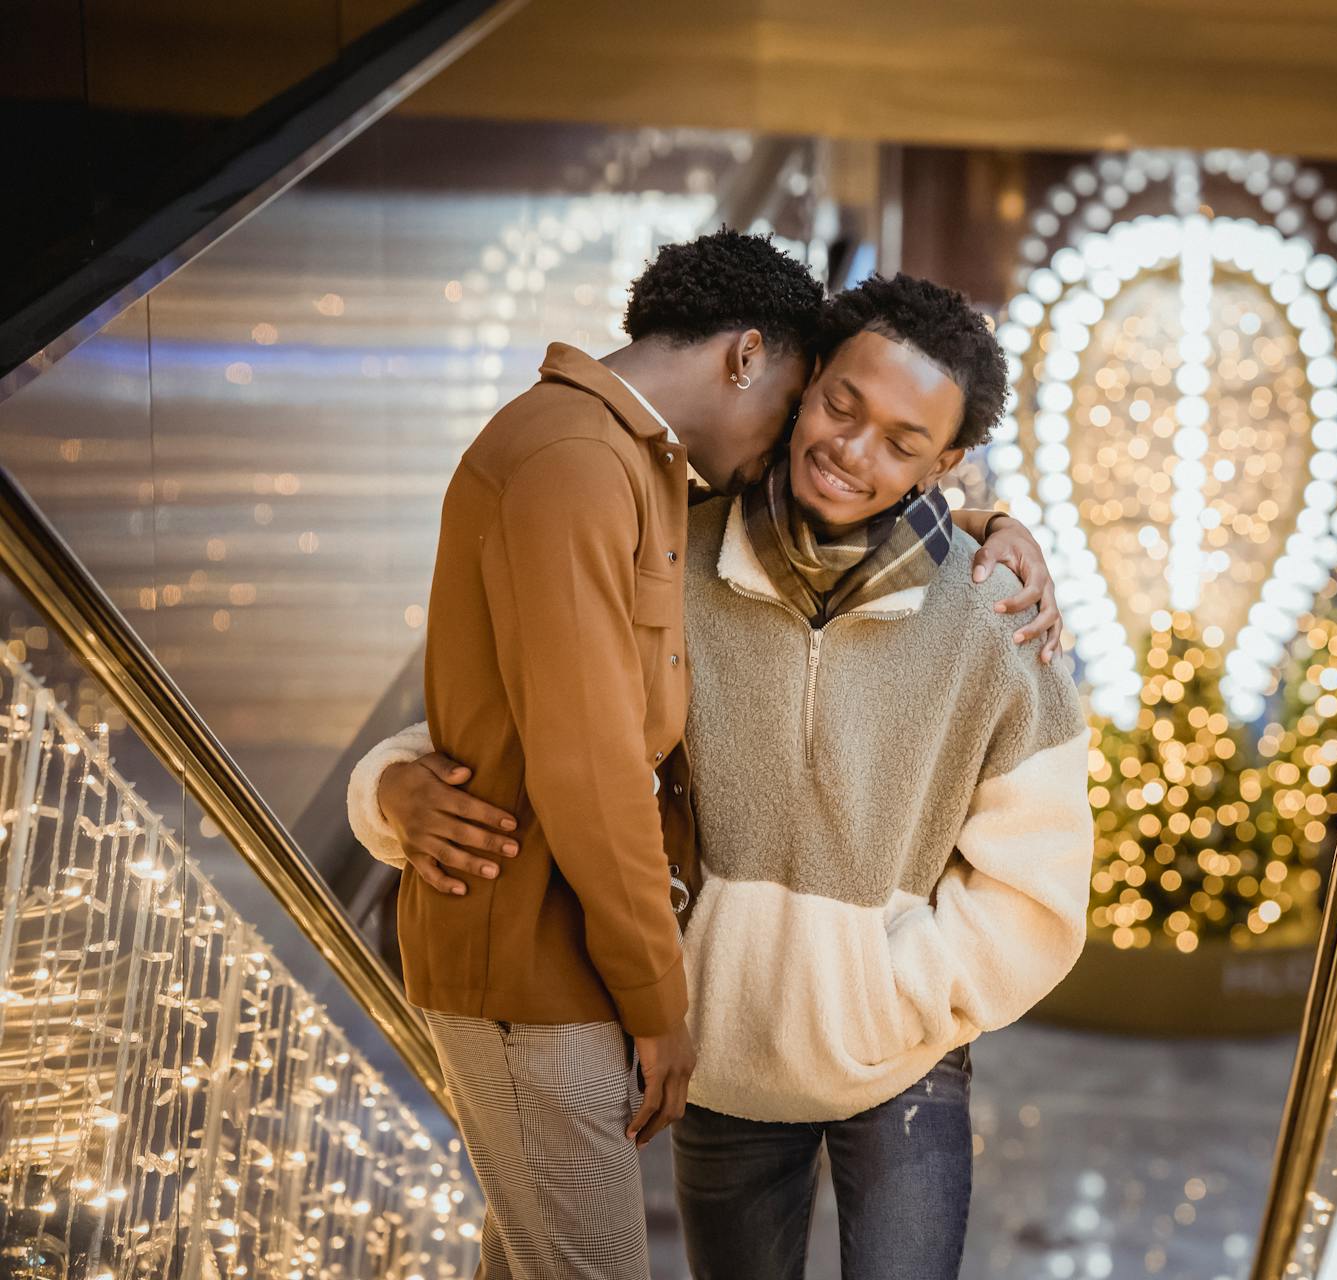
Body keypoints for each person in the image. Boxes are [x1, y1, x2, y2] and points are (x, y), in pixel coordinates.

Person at [351, 273, 1095, 1279]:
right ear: (805, 383)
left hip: (903, 1069)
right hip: (719, 1065)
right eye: (840, 404)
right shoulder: (674, 544)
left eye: (903, 441)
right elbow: (541, 709)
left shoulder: (992, 609)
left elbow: (1039, 873)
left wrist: (901, 989)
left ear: (948, 463)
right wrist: (390, 784)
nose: (852, 449)